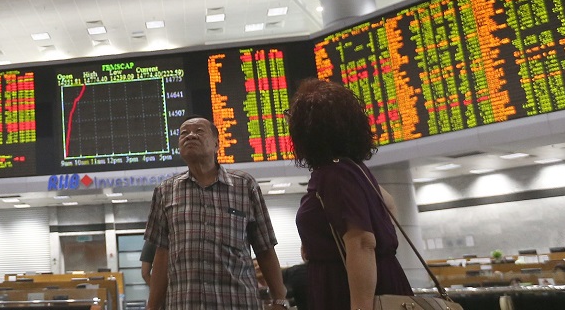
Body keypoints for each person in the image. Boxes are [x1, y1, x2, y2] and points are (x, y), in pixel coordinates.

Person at [288, 79, 412, 310]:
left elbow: (363, 242)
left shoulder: (334, 175)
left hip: (347, 288)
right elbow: (389, 204)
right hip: (371, 280)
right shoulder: (353, 170)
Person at [144, 117, 289, 310]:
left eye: (199, 131)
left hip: (237, 302)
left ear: (217, 144)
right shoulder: (165, 191)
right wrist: (152, 307)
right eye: (184, 133)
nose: (190, 136)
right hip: (184, 304)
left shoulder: (244, 185)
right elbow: (162, 255)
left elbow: (265, 247)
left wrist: (279, 299)